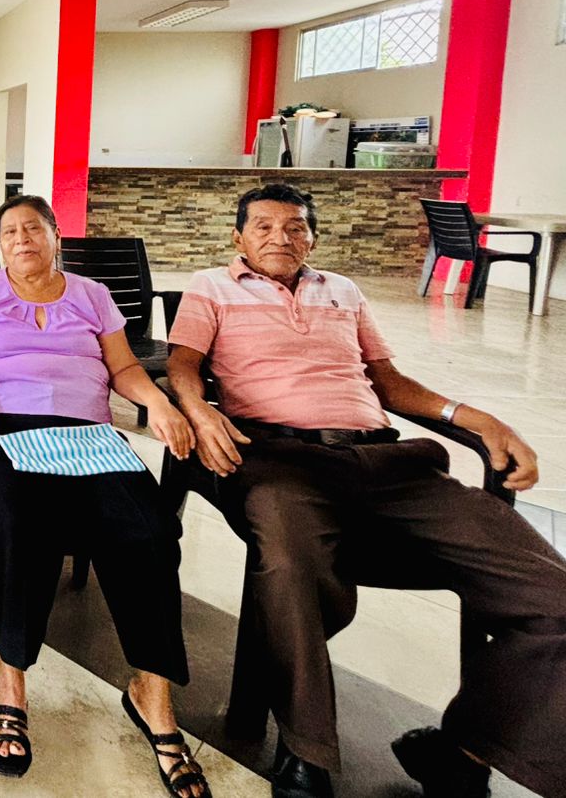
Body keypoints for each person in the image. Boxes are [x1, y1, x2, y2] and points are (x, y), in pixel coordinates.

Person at [165, 183, 566, 798]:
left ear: (312, 238)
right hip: (280, 460)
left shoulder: (343, 291)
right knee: (291, 562)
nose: (280, 237)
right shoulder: (212, 287)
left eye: (295, 227)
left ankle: (462, 748)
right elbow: (183, 366)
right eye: (264, 226)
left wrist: (472, 416)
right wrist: (199, 411)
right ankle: (306, 751)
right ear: (238, 237)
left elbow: (389, 382)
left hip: (391, 463)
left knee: (553, 596)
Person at [0, 195, 206, 795]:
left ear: (57, 235)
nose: (21, 239)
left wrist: (157, 403)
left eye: (33, 228)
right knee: (16, 521)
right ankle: (11, 680)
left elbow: (124, 368)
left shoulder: (91, 294)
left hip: (86, 433)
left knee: (151, 529)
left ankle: (152, 694)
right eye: (9, 232)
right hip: (6, 429)